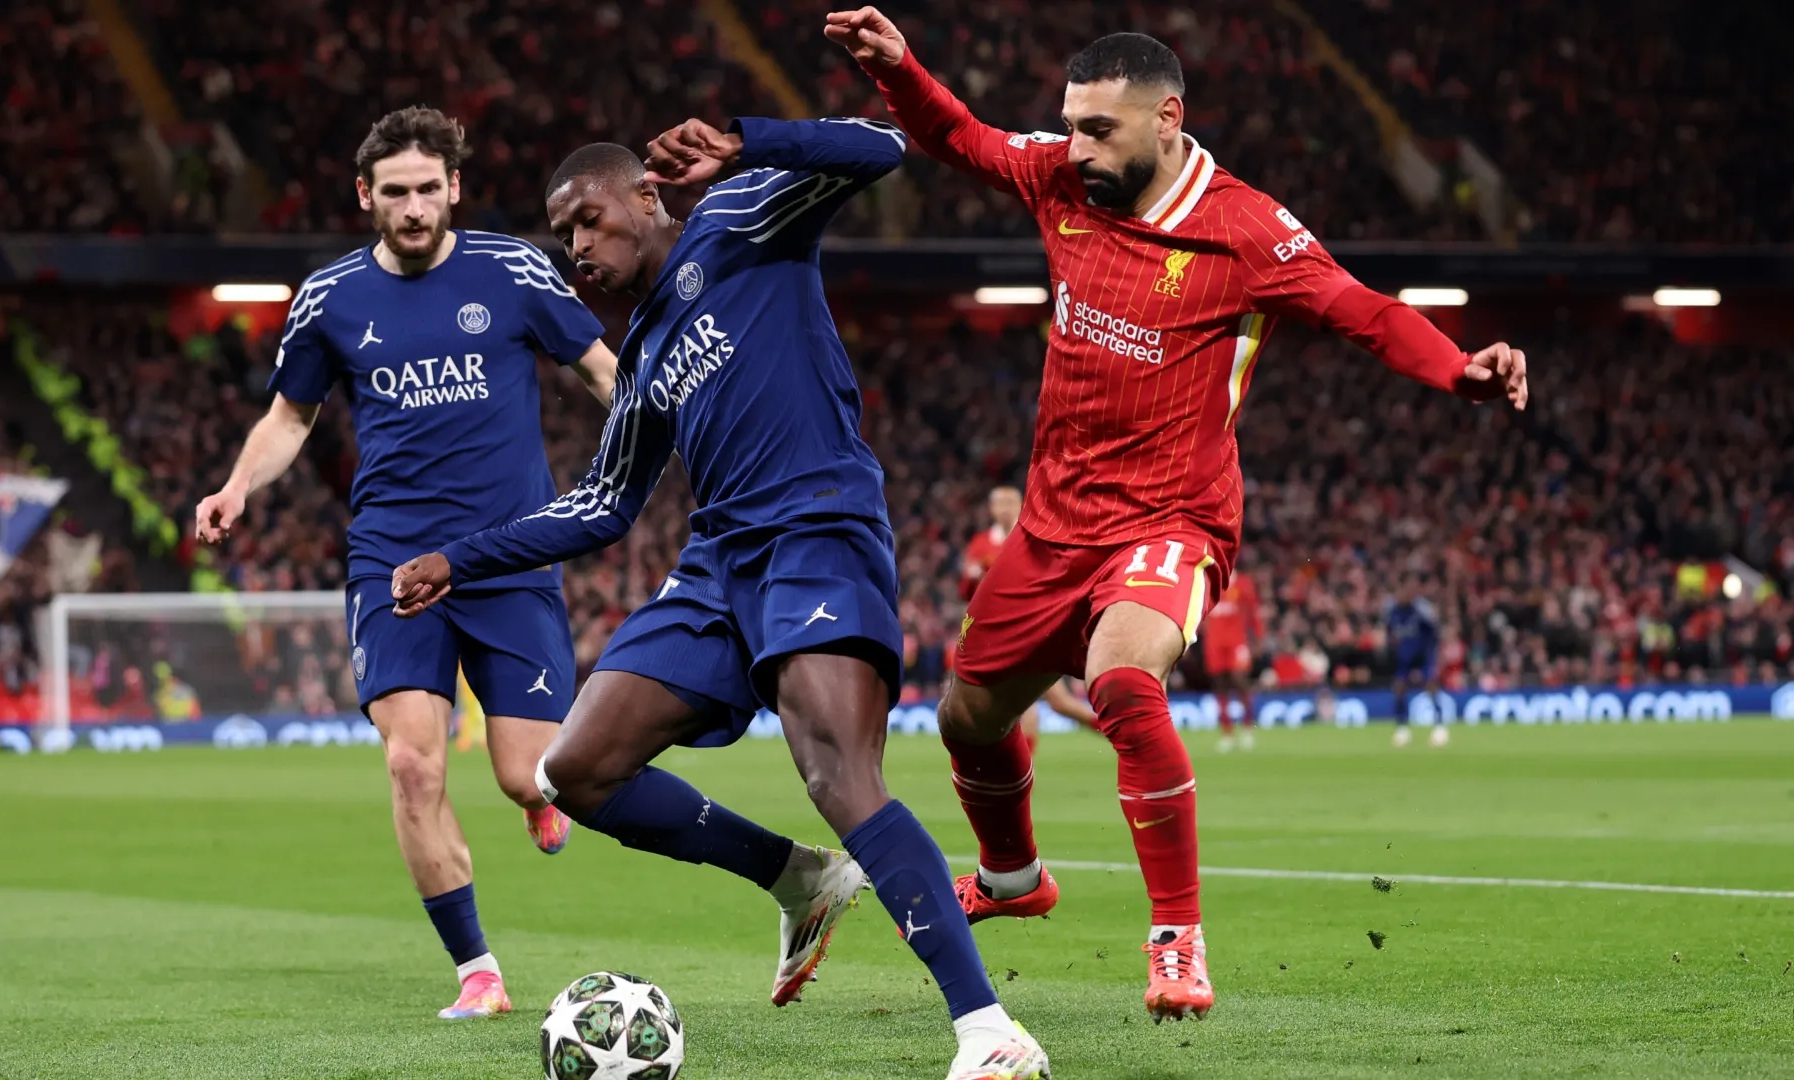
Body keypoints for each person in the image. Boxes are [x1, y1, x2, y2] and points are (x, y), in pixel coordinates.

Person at [827, 8, 1529, 1021]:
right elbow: (965, 139)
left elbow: (1363, 311)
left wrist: (1461, 370)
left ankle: (1177, 941)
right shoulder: (1063, 179)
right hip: (1053, 521)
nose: (1075, 148)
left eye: (1098, 130)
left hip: (1171, 518)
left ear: (1169, 119)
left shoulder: (1246, 228)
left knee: (1120, 680)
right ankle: (1016, 879)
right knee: (966, 720)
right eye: (1070, 125)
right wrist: (900, 71)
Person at [391, 114, 1048, 1079]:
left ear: (647, 198)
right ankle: (797, 878)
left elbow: (882, 149)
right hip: (718, 569)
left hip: (817, 527)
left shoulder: (742, 214)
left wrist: (750, 140)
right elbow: (604, 505)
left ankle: (990, 1031)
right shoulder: (647, 353)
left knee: (835, 770)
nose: (576, 249)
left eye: (588, 220)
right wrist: (464, 556)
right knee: (573, 770)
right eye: (561, 235)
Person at [193, 106, 619, 1021]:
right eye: (397, 193)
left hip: (509, 552)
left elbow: (596, 365)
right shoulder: (328, 297)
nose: (416, 207)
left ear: (454, 187)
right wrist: (237, 488)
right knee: (412, 767)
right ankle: (478, 972)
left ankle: (533, 799)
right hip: (391, 562)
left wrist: (670, 441)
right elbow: (289, 418)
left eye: (430, 189)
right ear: (366, 197)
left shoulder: (510, 268)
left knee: (528, 774)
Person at [958, 486, 1097, 750]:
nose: (1005, 508)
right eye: (1000, 503)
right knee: (1051, 702)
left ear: (1021, 504)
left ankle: (1117, 734)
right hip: (992, 631)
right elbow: (966, 591)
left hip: (1028, 627)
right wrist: (971, 577)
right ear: (991, 509)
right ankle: (1117, 735)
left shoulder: (1032, 538)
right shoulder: (981, 543)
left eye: (1010, 502)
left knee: (1046, 702)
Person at [1204, 571, 1262, 751]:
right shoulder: (1207, 582)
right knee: (1220, 685)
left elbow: (1253, 613)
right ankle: (1227, 732)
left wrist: (1258, 637)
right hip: (1215, 642)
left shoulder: (1243, 584)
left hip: (1237, 641)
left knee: (1239, 681)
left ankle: (1247, 728)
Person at [1386, 577, 1447, 746]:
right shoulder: (1393, 612)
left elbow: (1435, 632)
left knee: (1431, 686)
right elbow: (1389, 632)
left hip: (1423, 656)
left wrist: (1434, 655)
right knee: (1398, 687)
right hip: (1404, 658)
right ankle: (1402, 728)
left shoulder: (1422, 610)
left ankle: (1439, 727)